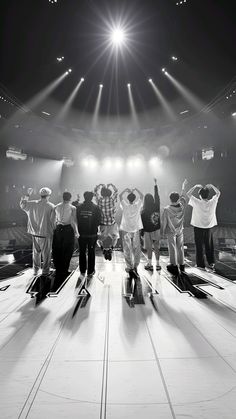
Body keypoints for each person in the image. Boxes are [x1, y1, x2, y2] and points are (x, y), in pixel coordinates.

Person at [20, 187, 55, 277]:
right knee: (46, 254)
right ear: (48, 196)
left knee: (36, 254)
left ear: (40, 195)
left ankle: (35, 271)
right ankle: (45, 271)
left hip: (35, 234)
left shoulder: (32, 204)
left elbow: (22, 204)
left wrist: (27, 195)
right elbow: (53, 221)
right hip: (45, 234)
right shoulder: (51, 206)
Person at [187, 183, 220, 270]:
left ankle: (200, 265)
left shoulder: (197, 202)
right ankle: (211, 263)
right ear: (208, 195)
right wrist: (212, 185)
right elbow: (218, 193)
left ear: (200, 195)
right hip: (208, 228)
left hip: (198, 228)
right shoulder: (212, 202)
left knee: (199, 246)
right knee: (209, 246)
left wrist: (195, 186)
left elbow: (188, 194)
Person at [52, 192, 79, 286]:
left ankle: (58, 269)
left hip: (59, 228)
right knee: (67, 250)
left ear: (62, 197)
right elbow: (73, 221)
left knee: (57, 249)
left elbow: (53, 220)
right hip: (68, 229)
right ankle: (64, 270)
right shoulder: (72, 208)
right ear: (70, 198)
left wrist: (54, 230)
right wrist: (77, 232)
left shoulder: (56, 206)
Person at [162, 179, 188, 276]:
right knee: (180, 247)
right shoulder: (182, 206)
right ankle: (182, 265)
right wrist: (183, 187)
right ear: (177, 199)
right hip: (180, 230)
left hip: (171, 231)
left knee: (172, 248)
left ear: (170, 199)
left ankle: (173, 265)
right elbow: (183, 196)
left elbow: (164, 222)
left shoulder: (167, 209)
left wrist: (162, 232)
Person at [119, 187, 144, 277]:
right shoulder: (138, 205)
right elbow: (142, 196)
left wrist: (125, 190)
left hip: (126, 228)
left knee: (127, 248)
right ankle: (135, 266)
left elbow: (120, 196)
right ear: (134, 198)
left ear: (128, 199)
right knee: (136, 248)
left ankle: (129, 267)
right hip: (136, 228)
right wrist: (136, 189)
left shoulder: (125, 205)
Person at [76, 191, 101, 277]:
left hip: (81, 234)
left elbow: (76, 220)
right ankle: (90, 271)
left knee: (82, 252)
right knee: (91, 252)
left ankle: (82, 270)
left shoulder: (78, 207)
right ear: (92, 197)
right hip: (92, 235)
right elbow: (98, 221)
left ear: (84, 197)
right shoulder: (96, 207)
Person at [94, 183, 119, 260]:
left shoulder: (99, 200)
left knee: (98, 239)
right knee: (116, 237)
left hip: (103, 224)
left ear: (102, 193)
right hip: (112, 223)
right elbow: (116, 191)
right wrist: (111, 185)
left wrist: (99, 185)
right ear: (109, 193)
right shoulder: (112, 199)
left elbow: (95, 192)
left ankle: (103, 249)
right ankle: (111, 248)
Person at [141, 178, 161, 271]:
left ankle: (149, 263)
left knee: (149, 248)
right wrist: (155, 185)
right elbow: (157, 197)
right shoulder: (156, 205)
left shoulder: (143, 211)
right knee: (157, 247)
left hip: (147, 231)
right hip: (156, 229)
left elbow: (142, 224)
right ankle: (157, 264)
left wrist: (141, 234)